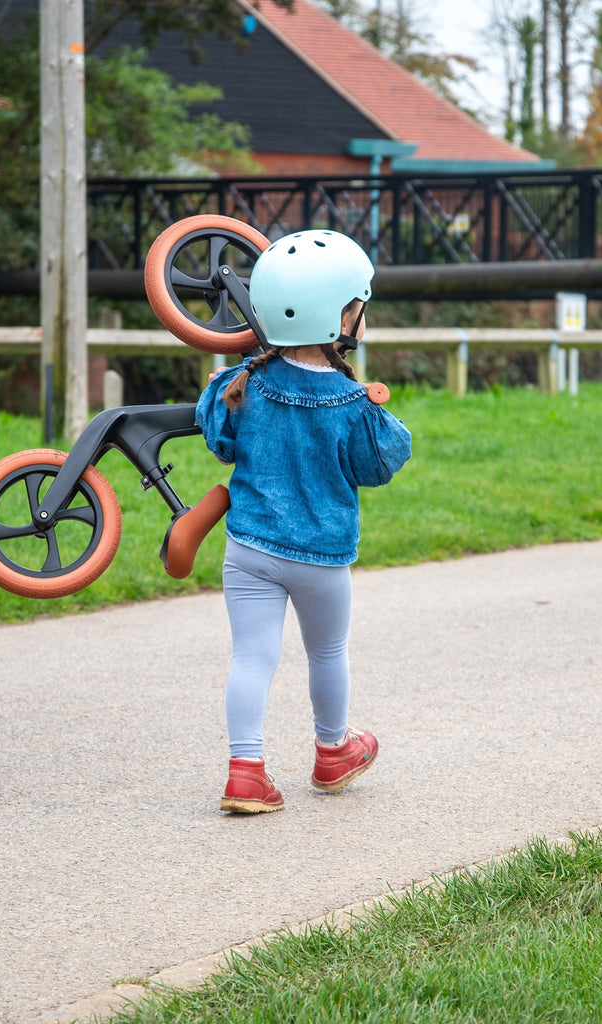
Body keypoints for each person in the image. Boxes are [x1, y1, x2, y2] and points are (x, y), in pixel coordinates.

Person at [195, 229, 412, 813]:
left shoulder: (244, 383)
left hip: (250, 549)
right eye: (358, 306)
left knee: (251, 657)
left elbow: (219, 440)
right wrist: (371, 410)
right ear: (340, 317)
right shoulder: (353, 403)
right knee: (327, 652)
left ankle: (245, 773)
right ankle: (333, 751)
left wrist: (226, 387)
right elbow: (379, 464)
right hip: (322, 557)